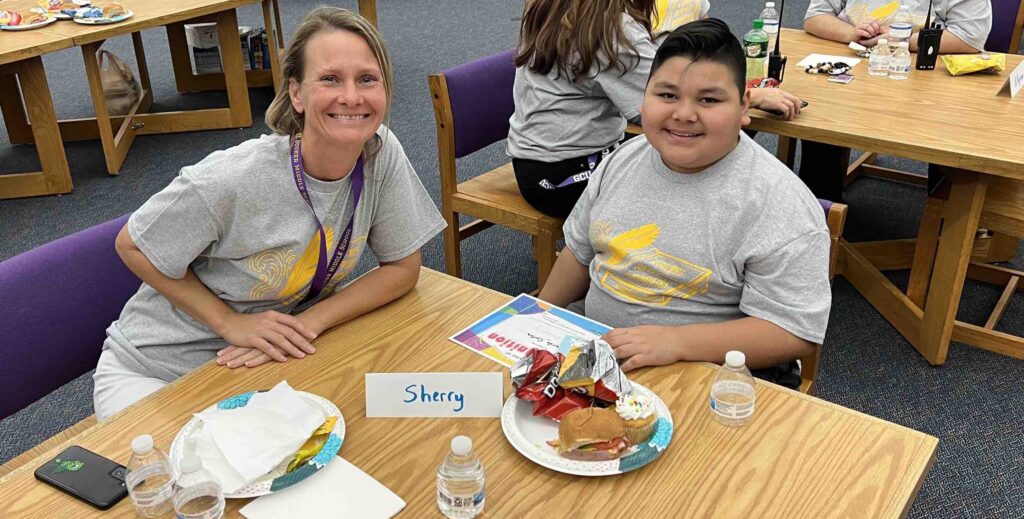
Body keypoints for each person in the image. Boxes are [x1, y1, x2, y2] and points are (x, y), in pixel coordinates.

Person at [92, 7, 445, 420]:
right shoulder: (232, 179)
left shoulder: (379, 152)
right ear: (296, 93)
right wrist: (228, 322)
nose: (352, 97)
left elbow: (402, 266)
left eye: (367, 79)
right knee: (194, 481)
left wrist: (313, 320)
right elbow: (132, 244)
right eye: (330, 79)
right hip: (158, 368)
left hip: (264, 359)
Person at [538, 19, 832, 387]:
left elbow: (793, 331)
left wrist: (676, 342)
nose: (683, 114)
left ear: (744, 107)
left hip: (711, 372)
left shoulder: (779, 203)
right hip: (601, 350)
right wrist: (538, 317)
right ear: (642, 97)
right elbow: (579, 254)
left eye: (708, 99)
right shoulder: (622, 160)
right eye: (667, 95)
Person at [507, 0, 803, 219]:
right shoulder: (612, 30)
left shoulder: (557, 8)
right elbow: (663, 102)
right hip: (562, 175)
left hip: (536, 161)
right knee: (694, 157)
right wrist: (749, 97)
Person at [800, 0, 992, 201]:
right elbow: (815, 17)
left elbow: (970, 37)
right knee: (818, 115)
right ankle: (822, 210)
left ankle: (945, 217)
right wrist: (851, 33)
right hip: (854, 67)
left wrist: (902, 41)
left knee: (951, 132)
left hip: (928, 79)